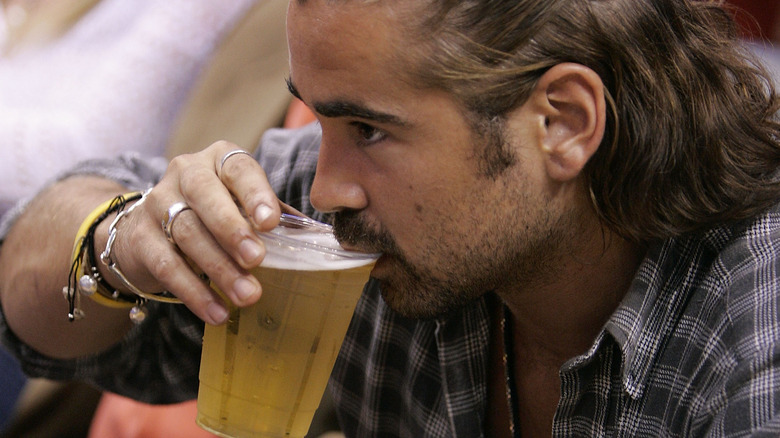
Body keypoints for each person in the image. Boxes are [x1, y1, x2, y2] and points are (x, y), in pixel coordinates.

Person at [2, 0, 780, 437]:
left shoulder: (755, 306)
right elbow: (28, 294)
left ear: (564, 123)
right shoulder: (357, 219)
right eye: (319, 119)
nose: (326, 186)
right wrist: (119, 242)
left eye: (368, 130)